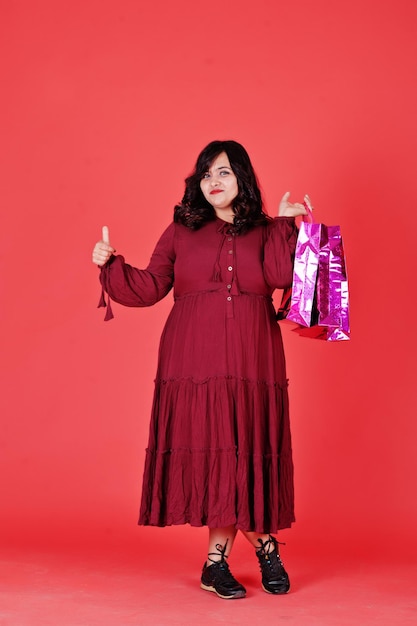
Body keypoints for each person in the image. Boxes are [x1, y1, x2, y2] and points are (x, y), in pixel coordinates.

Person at [92, 140, 307, 599]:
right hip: (194, 358)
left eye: (224, 172)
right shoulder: (180, 230)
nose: (213, 181)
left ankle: (217, 565)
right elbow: (149, 287)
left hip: (253, 358)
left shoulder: (267, 229)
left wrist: (288, 223)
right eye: (207, 173)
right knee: (218, 451)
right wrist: (111, 265)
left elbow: (281, 277)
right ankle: (262, 548)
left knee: (241, 448)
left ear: (242, 178)